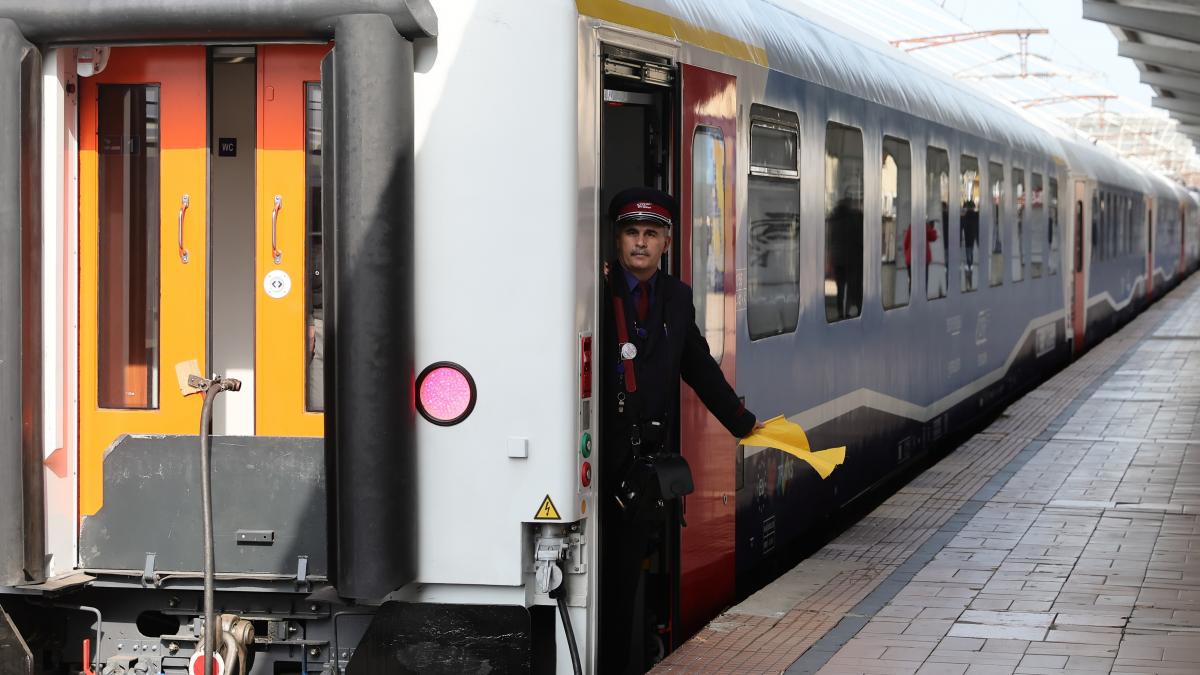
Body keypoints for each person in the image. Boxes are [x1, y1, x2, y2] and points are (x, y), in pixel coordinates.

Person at [600, 187, 758, 674]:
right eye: (631, 233)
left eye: (651, 234)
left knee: (626, 582)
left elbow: (699, 367)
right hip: (595, 462)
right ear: (617, 239)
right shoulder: (593, 290)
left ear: (667, 242)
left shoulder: (676, 298)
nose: (640, 244)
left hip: (642, 471)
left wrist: (744, 424)